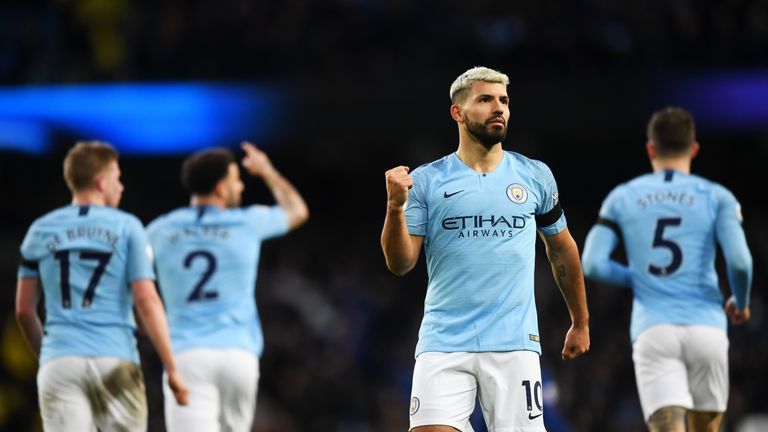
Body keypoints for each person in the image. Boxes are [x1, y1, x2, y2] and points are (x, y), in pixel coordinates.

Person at [381, 66, 590, 432]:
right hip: (443, 342)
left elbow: (561, 249)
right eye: (486, 99)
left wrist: (580, 322)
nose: (499, 108)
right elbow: (400, 263)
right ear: (457, 112)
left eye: (504, 101)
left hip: (514, 345)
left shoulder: (534, 175)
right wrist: (395, 208)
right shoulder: (426, 181)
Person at [581, 107, 753, 432]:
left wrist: (634, 277)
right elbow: (741, 262)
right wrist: (740, 303)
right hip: (707, 327)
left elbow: (591, 262)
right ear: (694, 148)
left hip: (653, 328)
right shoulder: (718, 196)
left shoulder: (623, 196)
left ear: (650, 149)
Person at [15, 141, 188, 431]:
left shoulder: (39, 230)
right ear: (100, 182)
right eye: (117, 179)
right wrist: (172, 368)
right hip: (114, 357)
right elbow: (146, 301)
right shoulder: (128, 226)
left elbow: (23, 310)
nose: (121, 187)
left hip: (60, 360)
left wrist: (49, 356)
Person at [147, 142, 308, 431]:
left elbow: (131, 273)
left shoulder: (161, 229)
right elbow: (297, 210)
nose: (242, 187)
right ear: (221, 188)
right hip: (239, 355)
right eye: (237, 180)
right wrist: (267, 171)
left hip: (187, 354)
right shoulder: (247, 222)